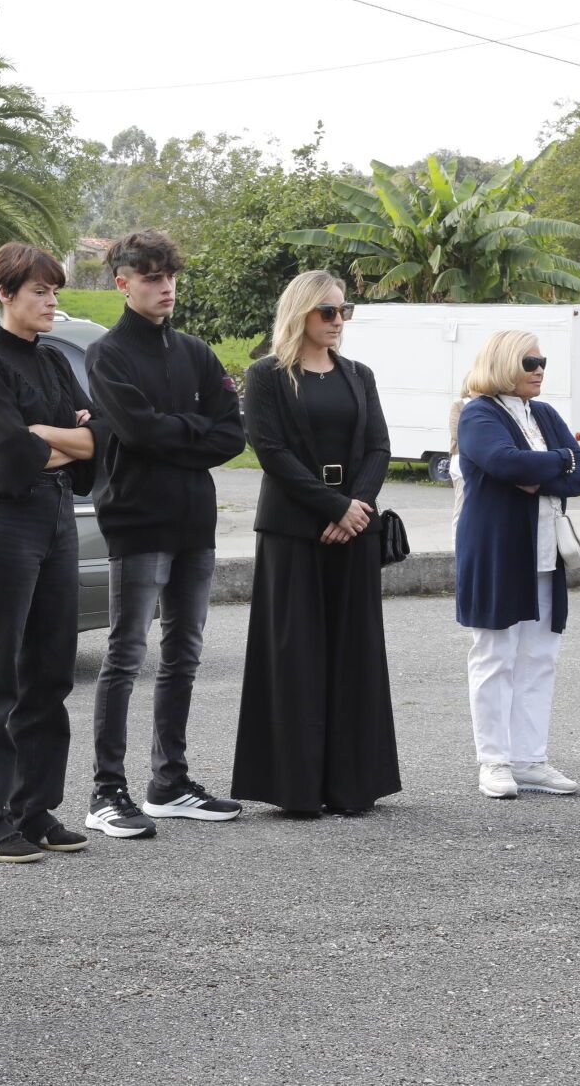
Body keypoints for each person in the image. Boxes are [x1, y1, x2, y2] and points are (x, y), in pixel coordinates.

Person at [81, 229, 247, 840]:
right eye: (151, 277)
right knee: (125, 655)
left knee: (185, 653)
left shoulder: (196, 352)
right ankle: (106, 791)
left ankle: (168, 782)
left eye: (170, 275)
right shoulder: (107, 354)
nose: (165, 286)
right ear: (122, 283)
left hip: (193, 522)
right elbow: (139, 432)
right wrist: (191, 431)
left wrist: (170, 431)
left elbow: (233, 434)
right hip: (136, 520)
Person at [0, 242, 104, 864]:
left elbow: (101, 441)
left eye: (54, 291)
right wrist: (59, 439)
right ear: (4, 293)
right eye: (40, 291)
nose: (51, 301)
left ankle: (35, 810)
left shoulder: (55, 362)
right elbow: (7, 454)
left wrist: (49, 436)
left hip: (59, 517)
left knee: (50, 670)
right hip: (6, 520)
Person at [231, 271, 400, 816]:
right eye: (328, 312)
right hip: (293, 533)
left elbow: (378, 446)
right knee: (294, 656)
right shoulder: (267, 376)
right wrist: (334, 507)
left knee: (355, 655)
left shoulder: (359, 375)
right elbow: (272, 452)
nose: (337, 322)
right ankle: (296, 787)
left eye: (343, 311)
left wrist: (356, 507)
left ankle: (352, 785)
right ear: (301, 312)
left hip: (354, 529)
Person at [453, 331, 580, 800]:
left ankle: (529, 759)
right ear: (502, 362)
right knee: (495, 656)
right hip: (498, 551)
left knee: (539, 658)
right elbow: (503, 462)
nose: (539, 369)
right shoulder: (479, 412)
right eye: (529, 361)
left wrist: (548, 470)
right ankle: (494, 761)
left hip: (544, 555)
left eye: (543, 361)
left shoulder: (544, 413)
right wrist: (560, 462)